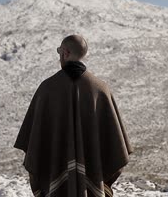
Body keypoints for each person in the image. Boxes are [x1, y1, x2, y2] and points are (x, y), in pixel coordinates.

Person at [14, 34, 133, 197]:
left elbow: (34, 144)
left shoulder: (47, 89)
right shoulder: (101, 89)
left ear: (65, 52)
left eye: (59, 51)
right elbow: (114, 147)